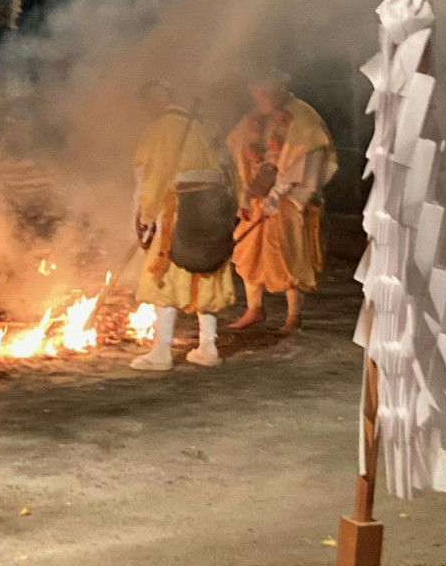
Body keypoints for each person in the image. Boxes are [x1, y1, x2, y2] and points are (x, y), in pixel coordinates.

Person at [129, 81, 238, 373]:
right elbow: (229, 167)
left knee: (164, 277)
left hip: (176, 213)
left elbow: (149, 176)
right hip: (212, 210)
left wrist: (145, 215)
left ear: (153, 101)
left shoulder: (158, 130)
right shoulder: (206, 127)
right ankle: (208, 347)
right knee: (206, 272)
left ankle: (161, 352)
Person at [226, 72, 338, 334]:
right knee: (248, 253)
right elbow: (238, 152)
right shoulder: (256, 116)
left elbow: (305, 160)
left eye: (265, 89)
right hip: (258, 196)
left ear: (281, 87)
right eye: (256, 90)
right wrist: (246, 195)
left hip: (290, 198)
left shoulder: (303, 116)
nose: (260, 96)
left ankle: (293, 316)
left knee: (289, 255)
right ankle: (254, 309)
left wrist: (277, 195)